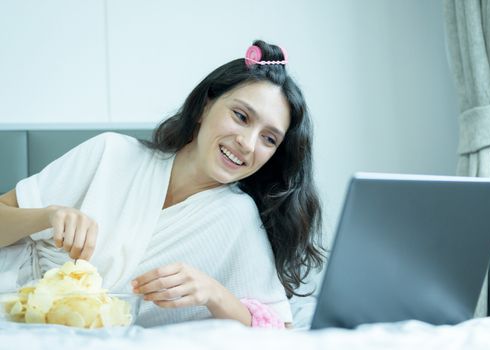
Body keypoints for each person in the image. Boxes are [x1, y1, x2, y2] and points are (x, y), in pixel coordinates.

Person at [0, 40, 325, 328]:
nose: (248, 143)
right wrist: (47, 215)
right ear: (205, 105)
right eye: (241, 116)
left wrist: (214, 294)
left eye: (269, 139)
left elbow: (280, 331)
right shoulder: (110, 153)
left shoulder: (236, 217)